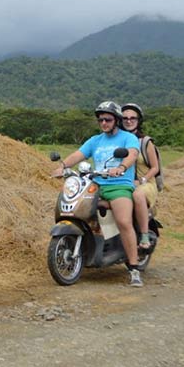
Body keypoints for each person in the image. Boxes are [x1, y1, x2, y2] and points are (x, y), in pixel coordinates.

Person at [51, 101, 144, 287]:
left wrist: (121, 167)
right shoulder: (95, 140)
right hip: (97, 184)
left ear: (116, 120)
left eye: (108, 119)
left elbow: (132, 155)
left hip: (119, 185)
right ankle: (91, 246)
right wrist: (62, 166)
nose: (103, 123)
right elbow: (79, 154)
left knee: (124, 222)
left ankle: (134, 269)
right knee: (80, 210)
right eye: (100, 120)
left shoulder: (127, 138)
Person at [121, 103, 160, 250]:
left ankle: (144, 235)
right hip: (122, 182)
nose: (129, 121)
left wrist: (141, 181)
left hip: (145, 184)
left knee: (137, 195)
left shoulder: (145, 142)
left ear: (139, 120)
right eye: (125, 118)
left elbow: (155, 167)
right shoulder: (118, 140)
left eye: (133, 118)